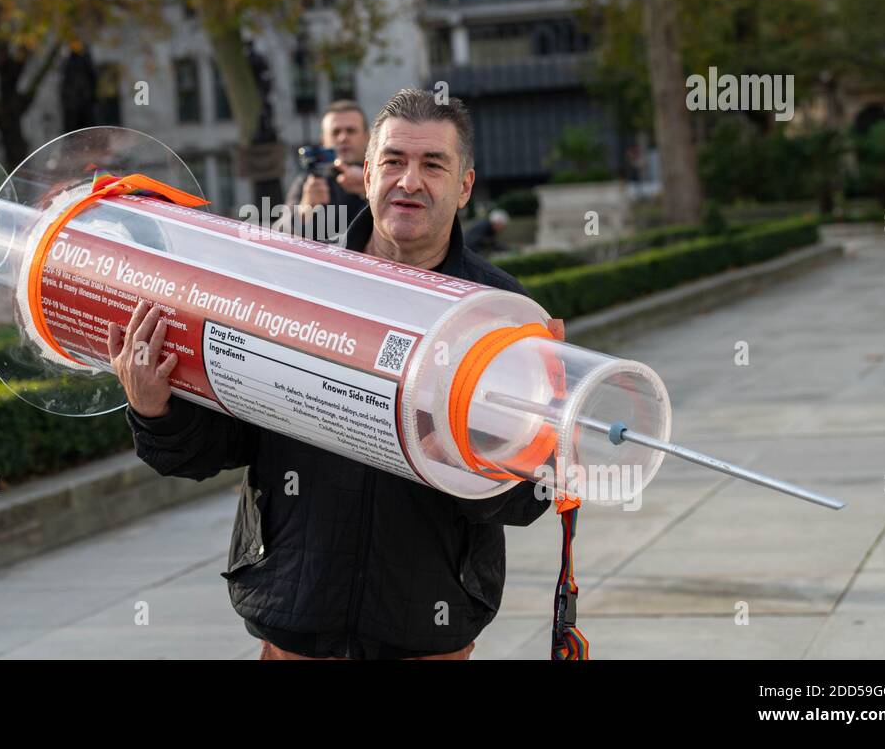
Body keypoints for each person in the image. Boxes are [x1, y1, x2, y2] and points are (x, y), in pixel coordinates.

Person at [110, 88, 564, 660]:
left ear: (465, 186)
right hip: (295, 615)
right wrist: (156, 410)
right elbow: (218, 447)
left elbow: (527, 501)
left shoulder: (502, 313)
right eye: (394, 161)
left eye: (433, 165)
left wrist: (477, 448)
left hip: (426, 625)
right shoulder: (294, 281)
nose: (409, 181)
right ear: (368, 172)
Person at [278, 100, 370, 242]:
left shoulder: (382, 176)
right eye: (335, 132)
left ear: (367, 137)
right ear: (323, 140)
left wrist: (369, 191)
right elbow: (278, 235)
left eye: (351, 131)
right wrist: (304, 209)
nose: (343, 138)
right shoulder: (308, 182)